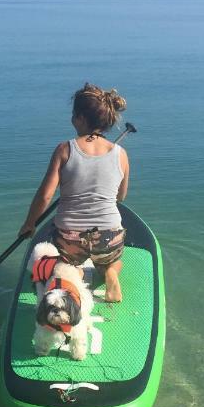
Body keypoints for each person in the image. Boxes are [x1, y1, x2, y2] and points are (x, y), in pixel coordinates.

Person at [19, 83, 130, 302]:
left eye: (73, 115)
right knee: (114, 261)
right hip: (108, 236)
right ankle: (109, 272)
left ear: (79, 118)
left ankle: (74, 273)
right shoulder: (121, 154)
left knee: (63, 264)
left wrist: (29, 224)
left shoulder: (64, 149)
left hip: (70, 239)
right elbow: (120, 197)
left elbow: (45, 196)